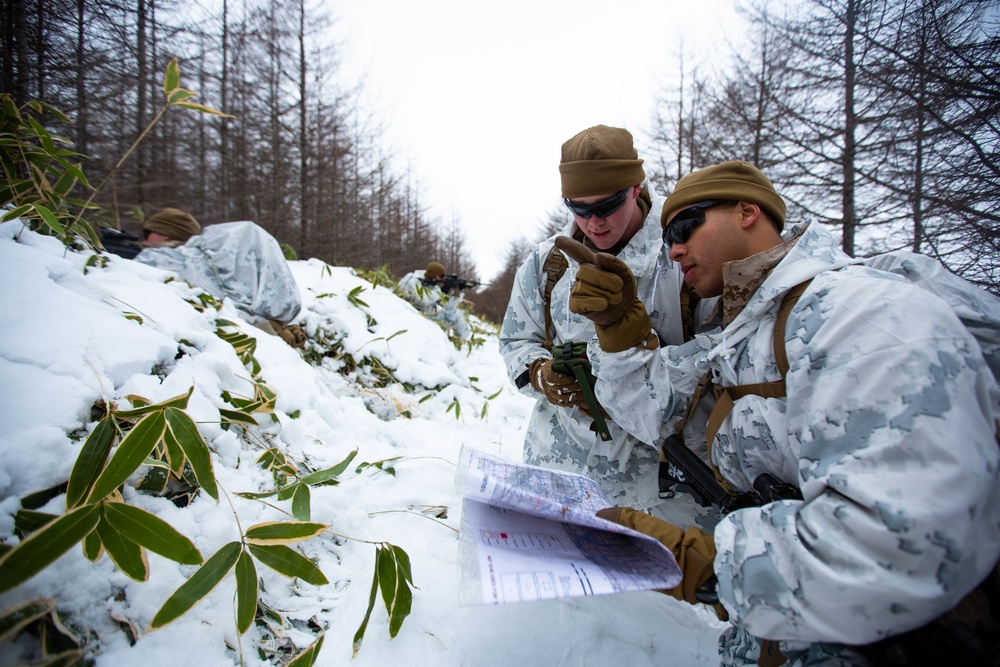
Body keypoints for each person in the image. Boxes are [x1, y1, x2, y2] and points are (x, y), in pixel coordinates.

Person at [561, 160, 1000, 665]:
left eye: (684, 226)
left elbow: (900, 551)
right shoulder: (744, 333)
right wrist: (620, 330)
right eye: (667, 238)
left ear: (748, 211)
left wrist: (700, 564)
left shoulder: (858, 316)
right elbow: (658, 413)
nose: (675, 247)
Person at [499, 125, 718, 524]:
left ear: (636, 187)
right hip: (560, 465)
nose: (593, 222)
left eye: (608, 205)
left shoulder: (683, 251)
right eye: (578, 208)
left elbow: (722, 351)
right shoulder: (546, 263)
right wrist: (542, 374)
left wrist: (627, 376)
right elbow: (516, 338)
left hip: (660, 489)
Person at [134, 209, 305, 348]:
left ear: (166, 235)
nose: (144, 240)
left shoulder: (172, 261)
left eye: (148, 233)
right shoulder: (206, 260)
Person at [398, 261, 473, 340]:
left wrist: (454, 291)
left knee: (454, 312)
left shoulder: (425, 280)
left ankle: (462, 340)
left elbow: (444, 305)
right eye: (441, 276)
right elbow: (423, 301)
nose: (443, 278)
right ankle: (464, 340)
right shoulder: (413, 282)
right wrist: (441, 291)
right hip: (418, 317)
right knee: (456, 315)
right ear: (433, 276)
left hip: (422, 314)